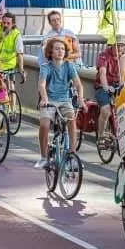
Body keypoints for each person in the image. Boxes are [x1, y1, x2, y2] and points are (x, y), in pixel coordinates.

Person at [36, 37, 85, 168]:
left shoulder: (69, 66)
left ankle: (72, 154)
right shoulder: (46, 67)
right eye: (57, 49)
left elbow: (79, 85)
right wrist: (44, 99)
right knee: (44, 125)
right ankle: (43, 156)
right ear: (50, 51)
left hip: (64, 100)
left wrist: (80, 99)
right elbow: (42, 84)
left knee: (72, 120)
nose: (60, 51)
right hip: (49, 100)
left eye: (62, 49)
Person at [94, 35, 125, 141]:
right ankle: (101, 136)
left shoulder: (123, 58)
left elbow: (124, 74)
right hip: (103, 86)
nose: (120, 49)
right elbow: (102, 72)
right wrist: (105, 86)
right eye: (117, 46)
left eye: (122, 46)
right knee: (106, 111)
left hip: (117, 87)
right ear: (112, 46)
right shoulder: (104, 55)